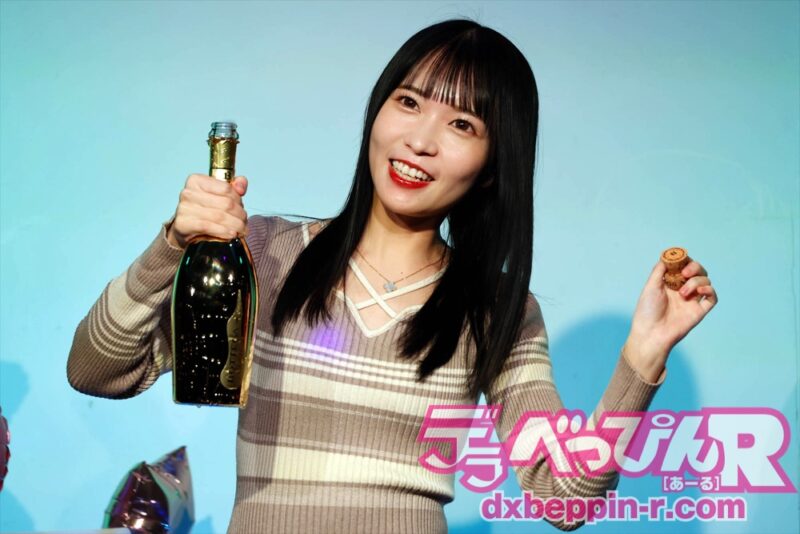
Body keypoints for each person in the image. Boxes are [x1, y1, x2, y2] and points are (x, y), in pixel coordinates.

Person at [67, 19, 717, 533]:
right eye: (408, 102)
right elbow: (98, 372)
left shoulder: (498, 308)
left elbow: (562, 496)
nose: (420, 140)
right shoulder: (265, 252)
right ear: (377, 111)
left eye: (461, 124)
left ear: (492, 165)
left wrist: (641, 359)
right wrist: (171, 247)